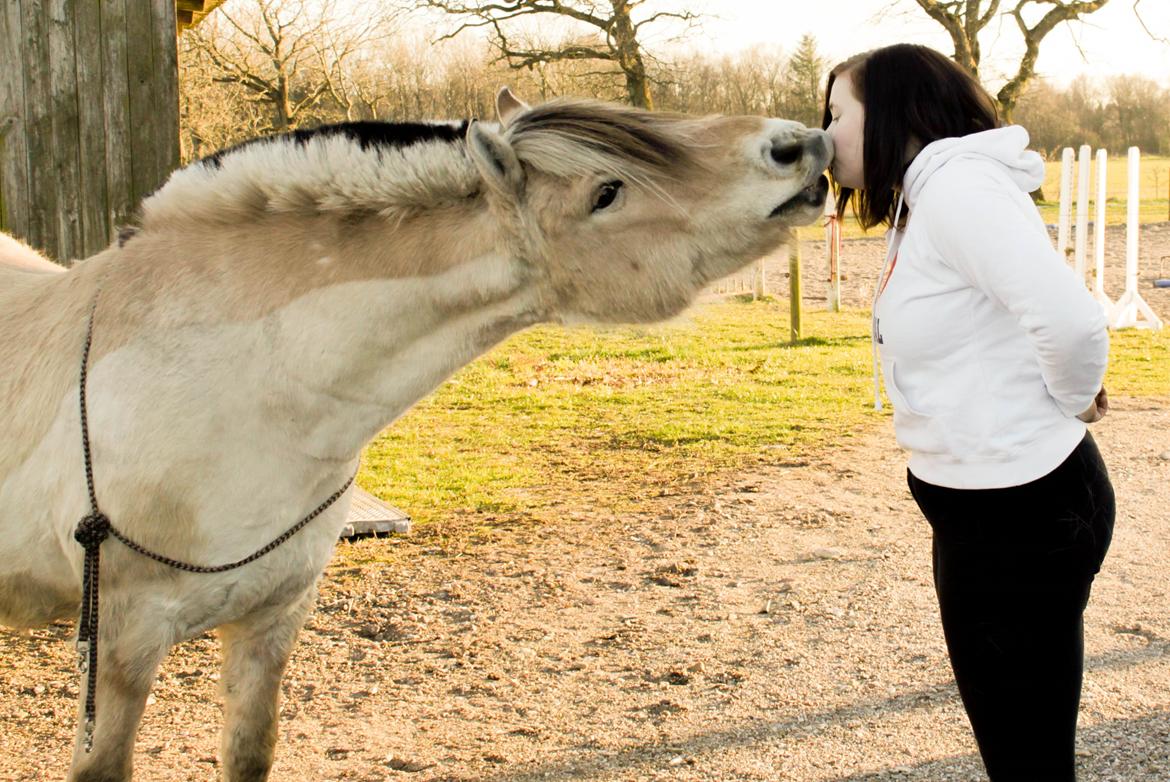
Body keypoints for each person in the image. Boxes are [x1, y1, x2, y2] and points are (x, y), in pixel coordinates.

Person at [822, 43, 1115, 780]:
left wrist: (1075, 398)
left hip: (1021, 516)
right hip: (986, 513)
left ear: (888, 111)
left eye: (835, 114)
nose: (821, 136)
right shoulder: (931, 197)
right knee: (1023, 746)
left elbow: (1072, 321)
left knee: (1025, 754)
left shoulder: (958, 192)